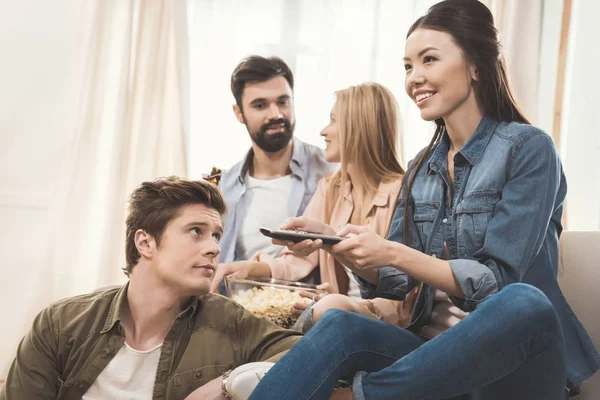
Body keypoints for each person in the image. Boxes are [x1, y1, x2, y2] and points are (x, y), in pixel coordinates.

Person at [248, 1, 600, 399]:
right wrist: (338, 243)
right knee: (338, 324)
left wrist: (393, 253)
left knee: (524, 302)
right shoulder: (420, 167)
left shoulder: (529, 149)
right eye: (407, 66)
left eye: (428, 60)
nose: (414, 78)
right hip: (431, 360)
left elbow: (497, 283)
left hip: (513, 362)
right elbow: (397, 284)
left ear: (476, 66)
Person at [0, 177, 301, 400]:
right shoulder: (60, 324)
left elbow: (307, 354)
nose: (213, 248)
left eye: (216, 236)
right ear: (145, 243)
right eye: (196, 231)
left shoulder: (231, 322)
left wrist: (228, 381)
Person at [212, 82, 412, 329]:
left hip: (378, 325)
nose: (323, 131)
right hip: (335, 314)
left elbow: (407, 297)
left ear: (359, 127)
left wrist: (341, 305)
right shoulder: (331, 187)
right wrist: (247, 268)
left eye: (333, 120)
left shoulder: (405, 193)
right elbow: (297, 260)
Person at [216, 56, 333, 295]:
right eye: (260, 105)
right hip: (235, 314)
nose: (276, 114)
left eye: (283, 102)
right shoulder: (224, 187)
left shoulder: (331, 173)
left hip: (308, 316)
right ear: (239, 113)